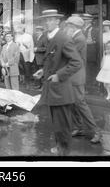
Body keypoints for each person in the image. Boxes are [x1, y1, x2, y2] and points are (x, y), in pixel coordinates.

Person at [38, 9, 82, 156]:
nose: (48, 22)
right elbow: (51, 61)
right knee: (56, 123)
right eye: (46, 20)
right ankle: (60, 147)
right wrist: (43, 71)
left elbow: (77, 62)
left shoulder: (63, 38)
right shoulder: (48, 37)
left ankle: (64, 152)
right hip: (52, 88)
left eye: (51, 19)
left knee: (62, 124)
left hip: (61, 88)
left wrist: (59, 75)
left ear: (58, 21)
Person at [65, 16, 102, 144]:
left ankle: (96, 131)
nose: (67, 28)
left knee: (80, 103)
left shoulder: (79, 38)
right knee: (72, 103)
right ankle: (78, 127)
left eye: (68, 25)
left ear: (73, 27)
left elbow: (69, 55)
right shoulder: (75, 37)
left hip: (76, 76)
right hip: (72, 75)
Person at [15, 24, 35, 90]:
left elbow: (30, 46)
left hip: (26, 54)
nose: (18, 31)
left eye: (19, 29)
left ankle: (28, 83)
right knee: (20, 68)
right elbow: (16, 46)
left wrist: (25, 45)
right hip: (19, 54)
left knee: (27, 69)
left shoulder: (28, 36)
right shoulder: (17, 36)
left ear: (23, 29)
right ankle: (22, 81)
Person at [81, 13, 99, 87]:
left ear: (90, 21)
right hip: (83, 53)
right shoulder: (81, 29)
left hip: (91, 53)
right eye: (83, 20)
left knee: (90, 70)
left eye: (86, 20)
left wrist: (84, 42)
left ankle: (90, 86)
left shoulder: (94, 29)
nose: (84, 21)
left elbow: (95, 42)